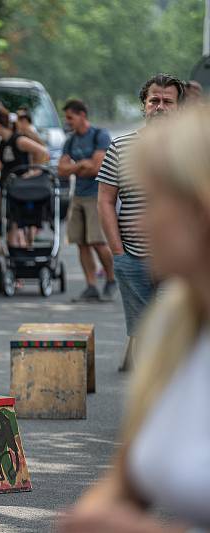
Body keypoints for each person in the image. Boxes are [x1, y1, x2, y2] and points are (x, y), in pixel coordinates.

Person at [58, 106, 210, 533]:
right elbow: (128, 480)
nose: (139, 219)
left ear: (200, 209)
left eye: (155, 200)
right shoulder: (175, 322)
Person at [97, 73, 184, 364]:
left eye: (167, 102)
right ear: (143, 106)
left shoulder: (194, 150)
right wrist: (118, 252)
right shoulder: (120, 148)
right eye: (153, 101)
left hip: (178, 259)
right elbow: (106, 201)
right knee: (143, 335)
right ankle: (148, 401)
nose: (159, 107)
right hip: (132, 257)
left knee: (173, 333)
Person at [57, 99, 116, 302]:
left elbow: (98, 167)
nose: (68, 121)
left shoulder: (100, 135)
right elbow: (61, 170)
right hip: (79, 196)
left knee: (98, 242)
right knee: (81, 243)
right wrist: (81, 165)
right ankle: (91, 285)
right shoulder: (70, 141)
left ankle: (110, 279)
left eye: (70, 117)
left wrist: (79, 166)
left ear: (82, 115)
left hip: (96, 196)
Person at [0, 105, 49, 247]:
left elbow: (42, 151)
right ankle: (16, 252)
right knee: (11, 224)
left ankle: (22, 248)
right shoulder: (2, 143)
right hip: (8, 187)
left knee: (18, 224)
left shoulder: (19, 140)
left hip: (22, 190)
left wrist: (33, 172)